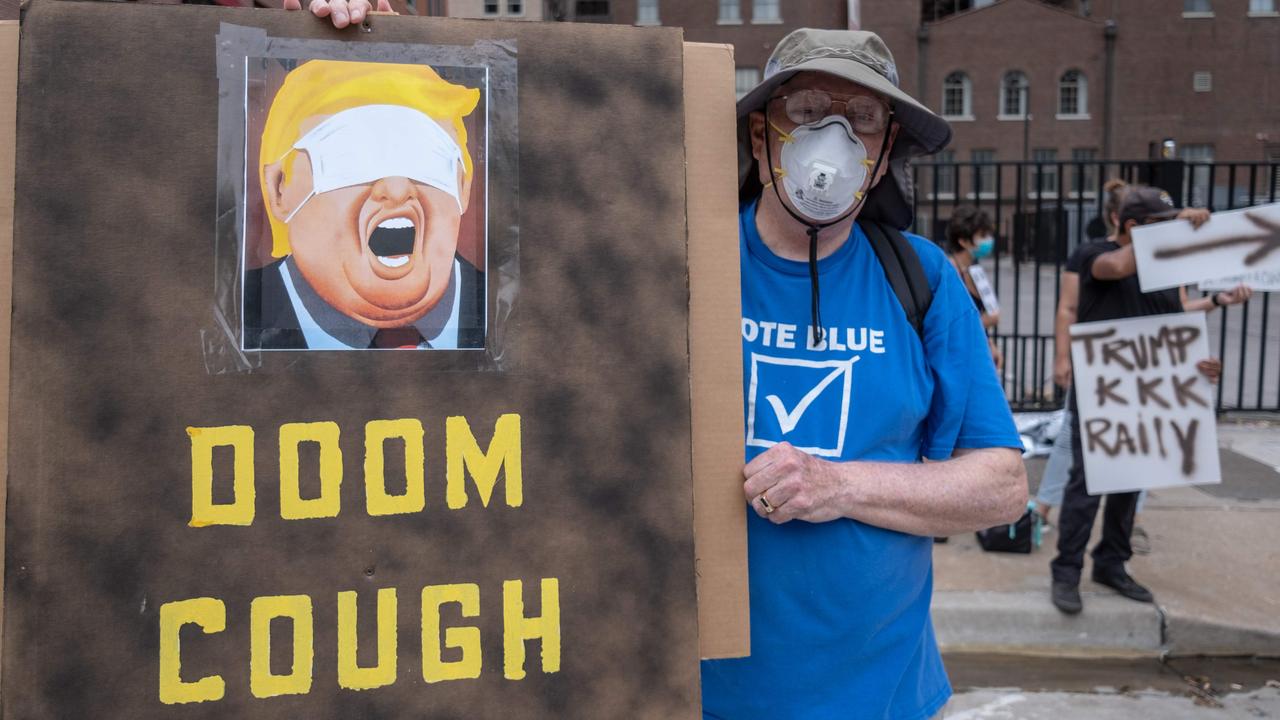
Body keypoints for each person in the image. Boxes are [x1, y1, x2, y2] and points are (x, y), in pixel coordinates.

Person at [702, 29, 1026, 720]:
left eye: (864, 119)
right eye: (809, 109)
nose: (835, 137)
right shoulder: (685, 263)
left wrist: (839, 484)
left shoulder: (923, 279)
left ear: (882, 160)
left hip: (882, 695)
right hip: (701, 695)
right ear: (760, 138)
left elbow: (1001, 486)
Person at [1049, 186, 1236, 615]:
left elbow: (1177, 317)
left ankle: (1112, 562)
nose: (1173, 233)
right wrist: (1177, 232)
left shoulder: (1169, 266)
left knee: (1131, 481)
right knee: (1087, 482)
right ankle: (1066, 570)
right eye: (1161, 227)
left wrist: (1201, 362)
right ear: (1132, 226)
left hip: (1151, 387)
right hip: (1105, 385)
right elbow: (1116, 267)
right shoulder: (1096, 254)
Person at [246, 60, 485, 350]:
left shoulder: (519, 316)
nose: (396, 189)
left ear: (462, 185)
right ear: (279, 189)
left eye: (426, 157)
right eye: (351, 155)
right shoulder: (233, 319)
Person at [945, 205, 1002, 371]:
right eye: (982, 236)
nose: (989, 240)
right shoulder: (949, 271)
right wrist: (986, 321)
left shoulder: (975, 269)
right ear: (963, 241)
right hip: (956, 356)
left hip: (975, 350)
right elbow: (949, 322)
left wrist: (990, 344)